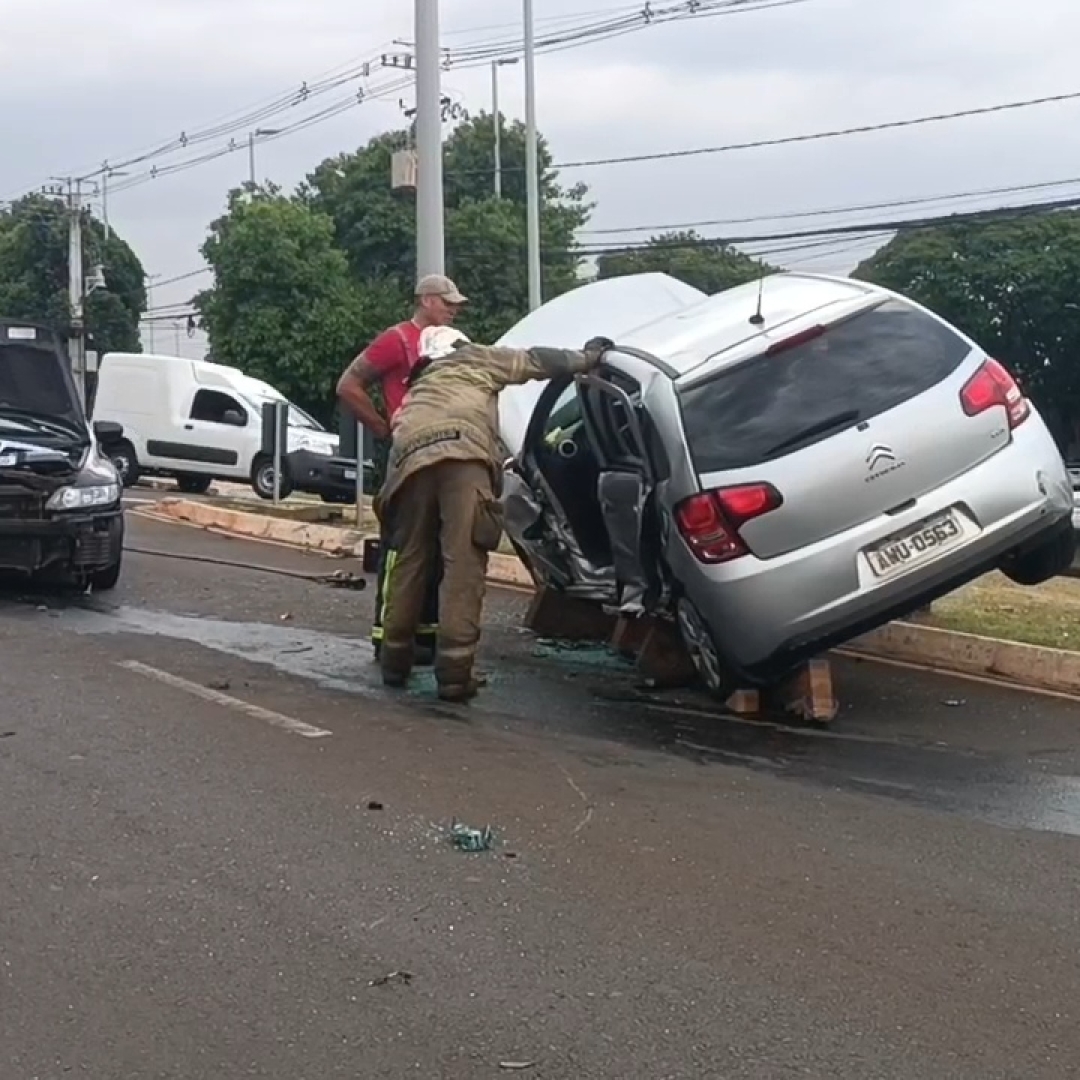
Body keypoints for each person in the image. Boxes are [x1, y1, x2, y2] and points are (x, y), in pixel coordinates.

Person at [378, 326, 614, 702]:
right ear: (458, 345)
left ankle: (394, 660)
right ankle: (454, 674)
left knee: (411, 558)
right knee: (463, 564)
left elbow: (395, 446)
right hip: (463, 453)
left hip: (409, 463)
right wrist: (588, 357)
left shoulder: (418, 387)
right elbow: (536, 361)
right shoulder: (475, 358)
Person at [336, 273, 468, 663]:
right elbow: (348, 384)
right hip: (404, 451)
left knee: (435, 544)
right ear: (426, 300)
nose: (453, 309)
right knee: (400, 545)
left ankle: (425, 633)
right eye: (447, 303)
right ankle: (388, 632)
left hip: (439, 452)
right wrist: (381, 426)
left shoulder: (450, 345)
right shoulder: (397, 340)